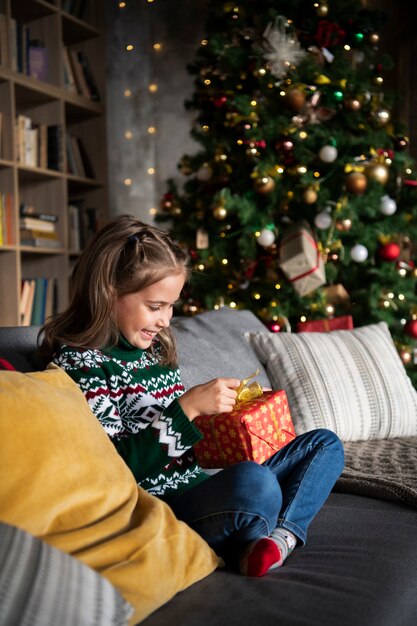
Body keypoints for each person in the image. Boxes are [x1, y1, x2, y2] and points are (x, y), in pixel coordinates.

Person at [39, 214, 344, 577]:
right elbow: (114, 470)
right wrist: (187, 408)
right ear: (108, 292)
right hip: (164, 507)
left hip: (207, 490)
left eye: (171, 307)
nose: (166, 320)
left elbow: (190, 452)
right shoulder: (82, 364)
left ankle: (277, 538)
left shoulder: (157, 352)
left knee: (324, 445)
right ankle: (255, 536)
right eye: (155, 307)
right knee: (256, 483)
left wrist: (228, 417)